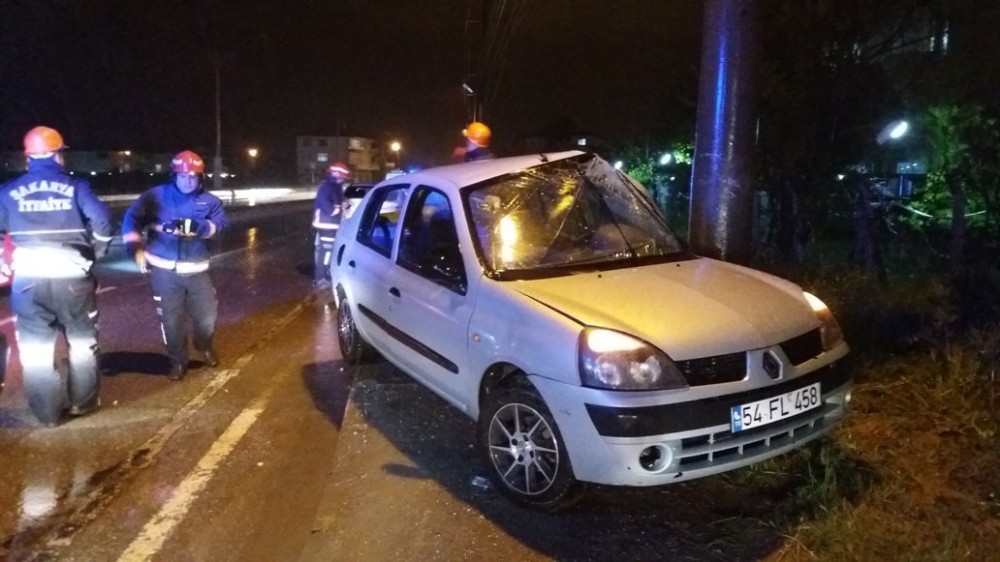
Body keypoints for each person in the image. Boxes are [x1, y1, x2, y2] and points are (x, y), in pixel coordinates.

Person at [0, 126, 114, 426]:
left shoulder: (8, 191)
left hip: (28, 282)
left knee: (35, 351)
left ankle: (47, 415)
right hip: (72, 278)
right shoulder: (76, 187)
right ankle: (82, 405)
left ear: (28, 158)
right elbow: (103, 221)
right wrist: (98, 251)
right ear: (58, 156)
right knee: (82, 342)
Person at [121, 150, 228, 381]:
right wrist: (135, 248)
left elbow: (220, 223)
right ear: (174, 176)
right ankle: (178, 361)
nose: (188, 181)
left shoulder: (210, 201)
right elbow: (132, 218)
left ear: (201, 177)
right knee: (171, 322)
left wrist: (201, 227)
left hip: (198, 272)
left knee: (207, 319)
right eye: (183, 176)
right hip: (164, 273)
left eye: (193, 177)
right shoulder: (155, 196)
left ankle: (204, 345)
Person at [312, 162, 350, 288]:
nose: (343, 179)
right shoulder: (327, 186)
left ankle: (324, 275)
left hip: (331, 223)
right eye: (342, 176)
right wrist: (336, 209)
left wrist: (343, 204)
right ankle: (321, 279)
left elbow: (337, 201)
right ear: (336, 174)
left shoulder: (335, 186)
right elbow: (325, 204)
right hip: (326, 223)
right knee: (326, 251)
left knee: (327, 251)